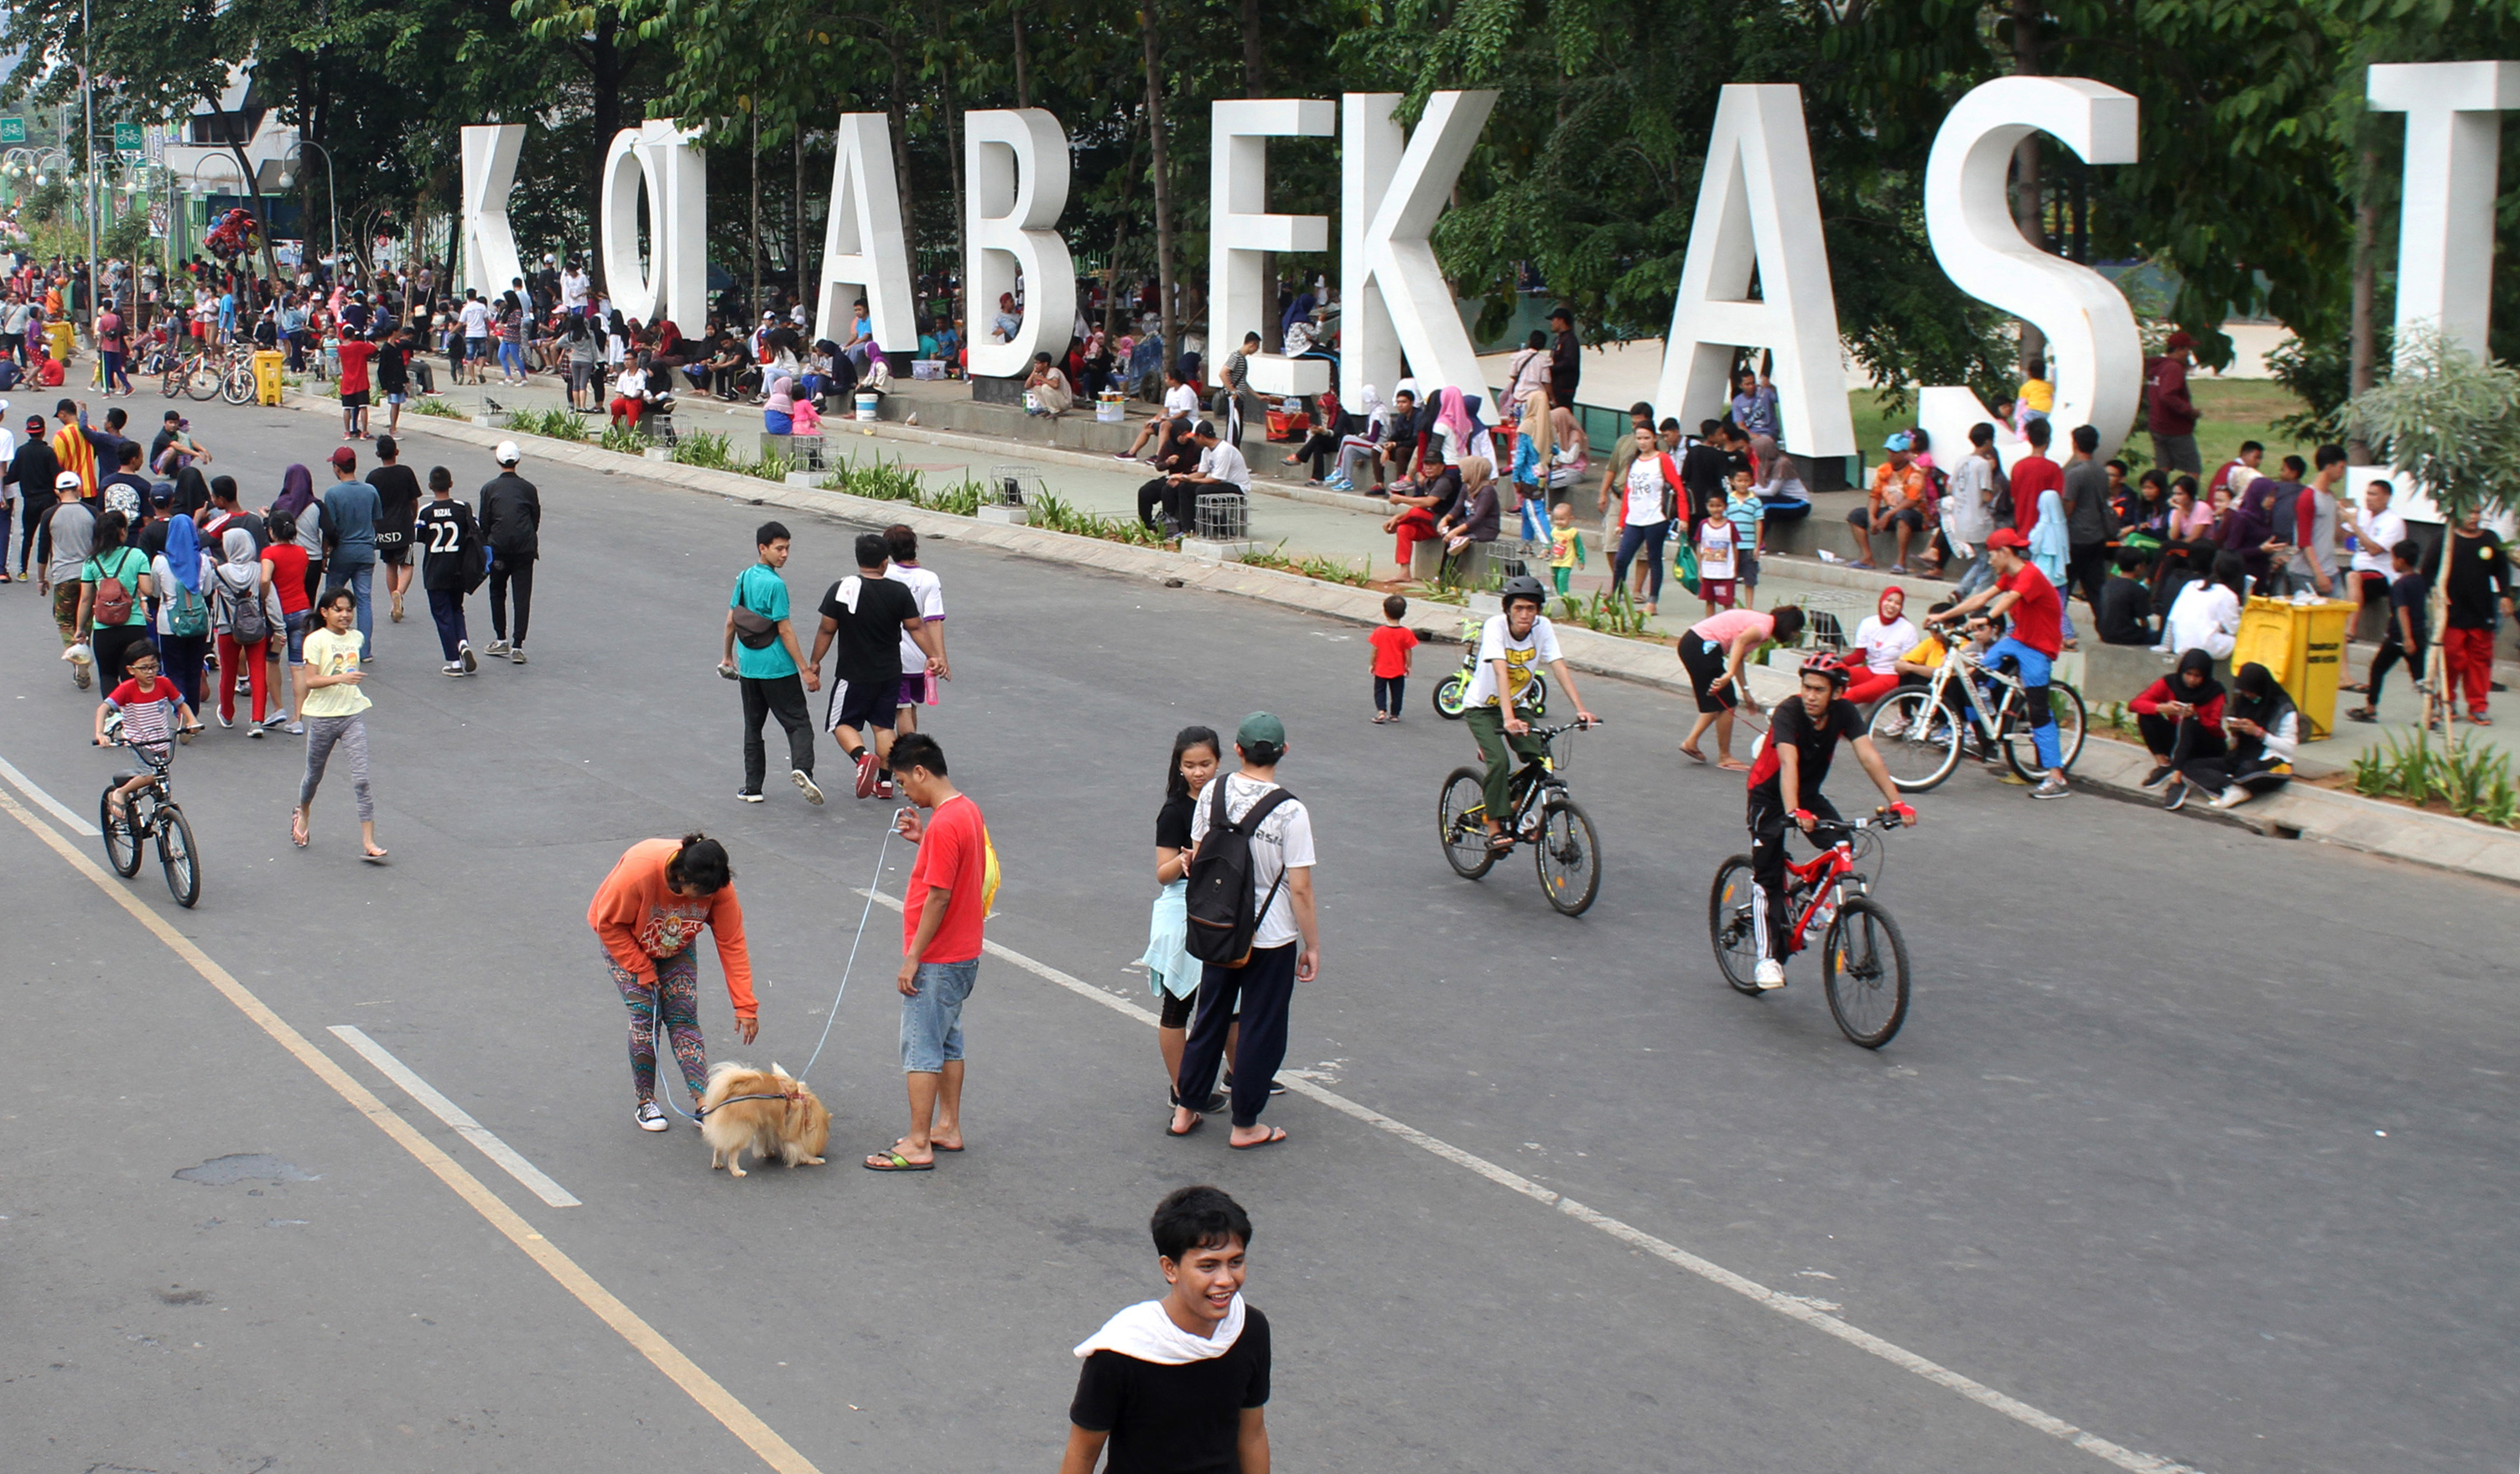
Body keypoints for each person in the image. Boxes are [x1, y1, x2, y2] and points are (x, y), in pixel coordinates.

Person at [1168, 713, 1317, 1150]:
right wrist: (1313, 945)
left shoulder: (1213, 791)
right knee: (1260, 1025)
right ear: (1283, 753)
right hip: (1270, 937)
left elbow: (1198, 856)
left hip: (1218, 927)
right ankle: (1246, 1123)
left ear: (1237, 750)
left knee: (1210, 1014)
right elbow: (1302, 889)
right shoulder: (1291, 811)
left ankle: (1186, 1106)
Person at [1062, 1186, 1270, 1474]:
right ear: (1170, 1269)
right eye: (1208, 1266)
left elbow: (1253, 1433)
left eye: (1235, 1262)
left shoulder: (1250, 1329)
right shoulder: (1120, 1353)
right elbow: (1082, 1454)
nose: (1225, 1280)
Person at [1743, 654, 1915, 989]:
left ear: (1836, 693)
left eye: (1819, 690)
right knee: (1768, 877)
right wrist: (1794, 811)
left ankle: (1812, 911)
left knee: (1842, 844)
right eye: (1807, 687)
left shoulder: (1845, 712)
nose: (1810, 695)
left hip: (1807, 794)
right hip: (1770, 795)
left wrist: (1897, 801)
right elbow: (1788, 762)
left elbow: (1868, 755)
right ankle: (1766, 960)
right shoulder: (1789, 712)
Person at [867, 732, 990, 1171]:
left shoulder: (945, 822)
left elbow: (938, 895)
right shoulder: (965, 811)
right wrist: (924, 840)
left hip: (938, 956)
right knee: (948, 1040)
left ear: (920, 771)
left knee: (920, 1047)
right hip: (964, 951)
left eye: (903, 782)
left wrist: (913, 957)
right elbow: (960, 868)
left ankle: (918, 1141)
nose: (905, 791)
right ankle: (948, 1126)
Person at [588, 833, 758, 1132]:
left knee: (684, 1017)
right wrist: (641, 968)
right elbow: (608, 925)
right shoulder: (639, 871)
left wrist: (745, 1005)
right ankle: (646, 1101)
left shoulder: (717, 887)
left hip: (675, 944)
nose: (704, 901)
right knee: (646, 1019)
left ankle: (703, 1100)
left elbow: (732, 942)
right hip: (627, 944)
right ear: (680, 876)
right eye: (698, 894)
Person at [1460, 579, 1598, 850]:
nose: (1525, 615)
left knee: (1541, 760)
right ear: (1508, 610)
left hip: (1518, 705)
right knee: (1499, 763)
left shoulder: (1542, 628)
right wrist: (1508, 718)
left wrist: (1580, 709)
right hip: (1482, 707)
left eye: (1531, 609)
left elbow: (1558, 664)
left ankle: (1514, 807)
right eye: (1519, 608)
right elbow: (1501, 670)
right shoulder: (1495, 627)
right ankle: (1494, 828)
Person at [1935, 527, 2072, 797]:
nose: (1989, 561)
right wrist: (1944, 616)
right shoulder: (2009, 575)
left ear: (2005, 552)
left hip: (2039, 648)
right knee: (1972, 680)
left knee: (2038, 709)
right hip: (2017, 639)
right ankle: (1987, 741)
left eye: (1991, 555)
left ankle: (2056, 777)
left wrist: (1986, 619)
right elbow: (1981, 598)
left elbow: (2007, 600)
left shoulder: (2029, 574)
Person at [809, 532, 943, 801]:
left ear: (859, 560)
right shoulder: (897, 591)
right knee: (883, 727)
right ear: (884, 562)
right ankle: (884, 782)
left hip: (854, 673)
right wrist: (934, 655)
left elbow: (827, 630)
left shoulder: (842, 588)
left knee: (842, 723)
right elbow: (915, 626)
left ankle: (862, 758)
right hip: (890, 673)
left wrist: (815, 661)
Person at [1144, 729, 1227, 1104]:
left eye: (1205, 764)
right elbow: (1163, 874)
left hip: (1225, 906)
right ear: (1178, 767)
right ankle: (1182, 1089)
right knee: (1179, 1003)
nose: (1198, 772)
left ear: (1219, 762)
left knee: (1231, 1002)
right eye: (1190, 765)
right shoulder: (1175, 811)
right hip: (1183, 910)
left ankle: (1242, 1073)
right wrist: (1183, 860)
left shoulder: (1229, 801)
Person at [720, 520, 823, 804]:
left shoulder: (743, 577)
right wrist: (805, 669)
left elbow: (731, 621)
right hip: (778, 668)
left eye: (788, 548)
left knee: (753, 727)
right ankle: (803, 769)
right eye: (779, 549)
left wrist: (728, 656)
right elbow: (784, 630)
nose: (785, 554)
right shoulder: (776, 584)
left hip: (750, 667)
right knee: (798, 723)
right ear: (762, 548)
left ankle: (752, 787)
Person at [293, 585, 387, 857]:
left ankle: (369, 842)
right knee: (313, 775)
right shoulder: (316, 640)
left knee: (361, 779)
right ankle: (304, 812)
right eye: (338, 609)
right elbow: (310, 680)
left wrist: (347, 681)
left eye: (349, 610)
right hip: (323, 718)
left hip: (352, 715)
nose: (345, 615)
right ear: (324, 612)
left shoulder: (356, 638)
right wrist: (340, 678)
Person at [1678, 605, 1804, 770]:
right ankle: (1724, 757)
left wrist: (1746, 691)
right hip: (1702, 646)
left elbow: (1738, 657)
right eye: (1795, 631)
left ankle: (1691, 742)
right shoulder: (1764, 628)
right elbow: (1739, 641)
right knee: (1727, 702)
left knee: (1719, 700)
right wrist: (1728, 674)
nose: (1794, 635)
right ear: (1788, 626)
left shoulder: (1762, 623)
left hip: (1694, 644)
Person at [2421, 505, 2512, 724]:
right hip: (2452, 614)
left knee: (2479, 661)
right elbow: (2428, 571)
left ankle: (2478, 707)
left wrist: (2505, 596)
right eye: (2469, 512)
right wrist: (2435, 596)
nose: (2474, 517)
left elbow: (2501, 568)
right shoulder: (2444, 539)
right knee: (2452, 658)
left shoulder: (2490, 539)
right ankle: (2447, 702)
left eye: (2478, 513)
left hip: (2482, 612)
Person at [92, 646, 197, 824]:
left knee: (162, 784)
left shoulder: (164, 684)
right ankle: (120, 792)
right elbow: (104, 709)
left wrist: (191, 720)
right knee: (150, 776)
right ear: (131, 670)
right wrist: (100, 733)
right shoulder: (127, 689)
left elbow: (181, 704)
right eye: (144, 668)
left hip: (162, 742)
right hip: (138, 743)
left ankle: (164, 823)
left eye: (154, 667)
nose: (150, 672)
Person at [2176, 663, 2299, 811]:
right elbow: (2234, 744)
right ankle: (2233, 788)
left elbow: (2289, 749)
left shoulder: (2284, 709)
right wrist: (2235, 732)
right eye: (2244, 691)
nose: (2247, 695)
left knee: (2248, 769)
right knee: (2191, 766)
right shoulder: (2243, 702)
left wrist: (2259, 733)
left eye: (2250, 692)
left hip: (2272, 762)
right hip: (2241, 758)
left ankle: (2230, 788)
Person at [2133, 650, 2228, 810]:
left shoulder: (2215, 691)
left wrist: (2197, 716)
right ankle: (2164, 764)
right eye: (2188, 674)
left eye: (2197, 676)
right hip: (2178, 740)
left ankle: (2176, 780)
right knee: (2146, 716)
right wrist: (2162, 707)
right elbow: (2135, 704)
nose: (2192, 680)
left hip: (2205, 743)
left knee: (2189, 723)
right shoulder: (2170, 683)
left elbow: (2215, 728)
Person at [2348, 540, 2430, 725]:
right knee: (2420, 676)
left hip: (2399, 638)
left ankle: (2371, 709)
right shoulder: (2419, 580)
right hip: (2419, 634)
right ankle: (2432, 712)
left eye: (2393, 558)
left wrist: (2406, 638)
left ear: (2401, 561)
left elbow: (2402, 611)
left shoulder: (2400, 585)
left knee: (2378, 669)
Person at [413, 465, 482, 677]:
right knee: (456, 609)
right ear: (451, 484)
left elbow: (419, 536)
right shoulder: (463, 508)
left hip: (435, 569)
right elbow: (475, 530)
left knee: (442, 614)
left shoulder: (425, 511)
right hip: (458, 568)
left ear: (430, 487)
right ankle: (462, 642)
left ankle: (453, 661)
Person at [75, 507, 153, 690]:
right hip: (133, 626)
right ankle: (131, 715)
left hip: (104, 629)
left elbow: (86, 599)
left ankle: (113, 716)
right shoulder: (137, 556)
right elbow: (148, 590)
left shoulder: (91, 561)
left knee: (107, 674)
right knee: (131, 676)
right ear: (122, 531)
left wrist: (80, 628)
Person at [477, 441, 541, 664]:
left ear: (498, 460)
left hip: (499, 548)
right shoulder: (529, 488)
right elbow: (535, 519)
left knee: (497, 591)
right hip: (524, 548)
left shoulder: (489, 489)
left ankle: (500, 638)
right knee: (522, 596)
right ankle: (518, 645)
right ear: (518, 460)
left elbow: (484, 523)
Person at [883, 524, 948, 737]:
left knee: (901, 710)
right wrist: (939, 657)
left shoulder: (884, 574)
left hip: (892, 656)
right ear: (915, 547)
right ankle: (911, 754)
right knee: (910, 706)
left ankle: (909, 759)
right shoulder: (929, 578)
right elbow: (934, 621)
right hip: (920, 657)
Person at [149, 508, 215, 713]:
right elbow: (206, 590)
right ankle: (192, 714)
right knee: (193, 669)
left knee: (174, 670)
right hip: (198, 622)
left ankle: (181, 713)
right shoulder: (203, 560)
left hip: (169, 623)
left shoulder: (160, 561)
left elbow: (155, 591)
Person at [320, 445, 381, 658]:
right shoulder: (370, 491)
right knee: (364, 600)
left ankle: (332, 645)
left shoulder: (333, 494)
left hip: (342, 552)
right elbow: (375, 520)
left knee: (332, 599)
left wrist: (325, 553)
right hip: (365, 552)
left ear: (337, 468)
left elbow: (330, 528)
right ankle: (364, 650)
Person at [1610, 426, 1678, 614]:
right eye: (1639, 438)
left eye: (1646, 438)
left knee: (1654, 558)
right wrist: (1621, 523)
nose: (1642, 442)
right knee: (1622, 559)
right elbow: (1628, 495)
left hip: (1656, 517)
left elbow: (1678, 488)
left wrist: (1684, 518)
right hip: (1634, 518)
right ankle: (1615, 599)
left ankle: (1652, 602)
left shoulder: (1662, 459)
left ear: (1654, 438)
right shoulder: (1634, 461)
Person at [260, 508, 314, 732]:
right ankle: (298, 717)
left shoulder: (269, 554)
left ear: (272, 532)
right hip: (302, 610)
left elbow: (265, 579)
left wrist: (264, 597)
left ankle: (278, 708)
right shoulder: (302, 552)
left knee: (272, 659)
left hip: (278, 614)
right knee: (297, 665)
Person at [1846, 432, 1930, 572]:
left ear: (1904, 453)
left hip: (1914, 514)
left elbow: (1912, 500)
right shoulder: (1883, 470)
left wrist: (1888, 515)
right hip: (1891, 510)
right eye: (1889, 451)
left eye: (1895, 452)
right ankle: (1867, 557)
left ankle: (1901, 561)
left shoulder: (1915, 472)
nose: (1890, 454)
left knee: (1903, 516)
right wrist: (1872, 517)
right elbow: (1875, 496)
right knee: (1856, 515)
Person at [367, 435, 423, 625]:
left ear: (378, 454)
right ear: (396, 452)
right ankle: (399, 593)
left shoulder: (373, 477)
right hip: (403, 526)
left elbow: (371, 504)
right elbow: (414, 500)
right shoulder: (406, 473)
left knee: (390, 564)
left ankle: (394, 603)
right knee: (407, 565)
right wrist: (413, 516)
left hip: (382, 528)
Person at [2060, 423, 2112, 612]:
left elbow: (2069, 506)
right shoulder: (2102, 472)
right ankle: (2105, 623)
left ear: (2075, 444)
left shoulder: (2075, 474)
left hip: (2077, 536)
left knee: (2064, 584)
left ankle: (2060, 626)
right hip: (2097, 534)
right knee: (2096, 586)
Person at [2343, 478, 2408, 630]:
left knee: (2353, 577)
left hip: (2382, 574)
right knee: (2332, 575)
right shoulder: (2363, 514)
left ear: (2386, 498)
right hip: (2359, 570)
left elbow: (2374, 550)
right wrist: (2342, 515)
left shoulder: (2393, 522)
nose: (2368, 498)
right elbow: (2340, 538)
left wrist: (2355, 526)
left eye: (2374, 495)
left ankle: (2350, 630)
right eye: (2367, 494)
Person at [2159, 550, 2245, 662]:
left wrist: (2166, 646)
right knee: (2241, 640)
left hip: (2180, 645)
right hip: (2205, 647)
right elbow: (2234, 629)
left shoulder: (2192, 585)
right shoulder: (2227, 595)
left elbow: (2172, 618)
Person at [1844, 586, 1915, 706]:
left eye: (1897, 603)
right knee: (1831, 674)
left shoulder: (1908, 629)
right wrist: (1832, 661)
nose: (1892, 605)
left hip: (1892, 676)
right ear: (1881, 601)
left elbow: (1909, 666)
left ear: (1901, 607)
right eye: (1889, 600)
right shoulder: (1868, 623)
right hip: (1870, 671)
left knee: (1854, 693)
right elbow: (1858, 656)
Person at [2144, 330, 2202, 475]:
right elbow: (2167, 395)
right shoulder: (2173, 368)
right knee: (2193, 469)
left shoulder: (2158, 367)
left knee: (2163, 468)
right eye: (2187, 349)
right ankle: (2189, 495)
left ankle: (2159, 495)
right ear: (2178, 349)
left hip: (2157, 425)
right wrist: (2189, 411)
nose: (2189, 354)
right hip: (2175, 428)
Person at [2007, 417, 2062, 534]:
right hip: (2045, 533)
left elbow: (2014, 498)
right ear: (2048, 439)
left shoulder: (2018, 466)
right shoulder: (2054, 469)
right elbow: (2058, 502)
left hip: (2021, 529)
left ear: (2029, 439)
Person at [1369, 592, 1418, 724]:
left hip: (1381, 667)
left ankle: (1381, 711)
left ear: (1385, 612)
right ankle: (1395, 714)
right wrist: (1408, 666)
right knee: (1397, 693)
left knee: (1380, 690)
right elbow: (1408, 651)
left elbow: (1375, 649)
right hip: (1398, 669)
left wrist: (1372, 663)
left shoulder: (1380, 631)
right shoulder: (1406, 633)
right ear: (1403, 613)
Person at [1722, 468, 1765, 609]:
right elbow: (1725, 522)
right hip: (1732, 546)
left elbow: (1758, 523)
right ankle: (1731, 605)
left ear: (1751, 482)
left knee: (1750, 578)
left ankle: (1749, 607)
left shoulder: (1755, 501)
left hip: (1749, 545)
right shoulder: (1728, 500)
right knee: (1731, 576)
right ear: (1733, 482)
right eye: (1739, 481)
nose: (1743, 484)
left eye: (1746, 481)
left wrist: (1757, 546)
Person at [2098, 548, 2157, 645]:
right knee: (2158, 635)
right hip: (2126, 636)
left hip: (2104, 633)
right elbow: (2143, 620)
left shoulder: (2108, 584)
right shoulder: (2137, 589)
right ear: (2138, 567)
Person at [335, 324, 377, 440]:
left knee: (347, 408)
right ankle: (364, 431)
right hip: (361, 381)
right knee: (363, 407)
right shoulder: (359, 345)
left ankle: (347, 432)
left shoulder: (340, 348)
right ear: (353, 335)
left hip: (347, 381)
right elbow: (373, 348)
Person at [1546, 499, 1586, 595]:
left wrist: (1581, 560)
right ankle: (1560, 595)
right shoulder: (1554, 531)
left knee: (1562, 580)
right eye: (1556, 519)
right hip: (1555, 560)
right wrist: (1546, 550)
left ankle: (1564, 598)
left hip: (1566, 561)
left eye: (1562, 519)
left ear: (1570, 518)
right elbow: (1551, 543)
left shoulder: (1573, 532)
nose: (1559, 522)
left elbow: (1579, 547)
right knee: (1555, 579)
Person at [1025, 350, 1075, 418]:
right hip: (1056, 401)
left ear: (1045, 364)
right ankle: (1047, 409)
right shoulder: (1039, 373)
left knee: (1045, 387)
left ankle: (1055, 411)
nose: (1036, 365)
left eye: (1038, 363)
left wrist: (1042, 379)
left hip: (1064, 402)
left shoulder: (1054, 371)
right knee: (1036, 388)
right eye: (1035, 363)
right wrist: (1033, 372)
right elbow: (1027, 386)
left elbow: (1055, 385)